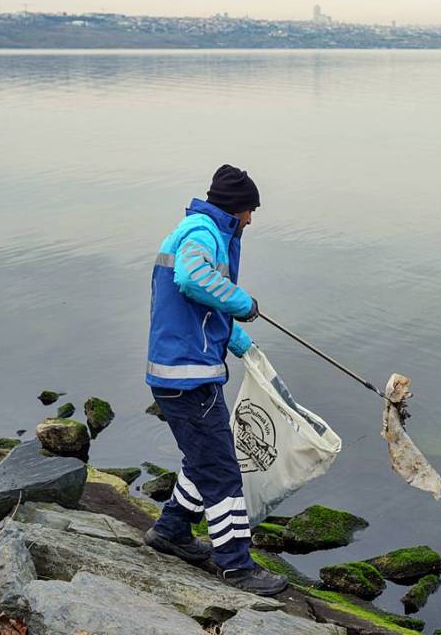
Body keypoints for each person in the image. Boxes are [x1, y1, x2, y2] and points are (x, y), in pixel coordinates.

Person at [143, 164, 288, 596]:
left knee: (202, 458)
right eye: (249, 210)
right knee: (223, 470)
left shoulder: (202, 229)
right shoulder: (204, 232)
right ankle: (236, 566)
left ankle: (170, 532)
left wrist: (239, 340)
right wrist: (243, 303)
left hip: (182, 371)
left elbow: (199, 308)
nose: (251, 220)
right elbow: (191, 279)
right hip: (187, 378)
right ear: (236, 207)